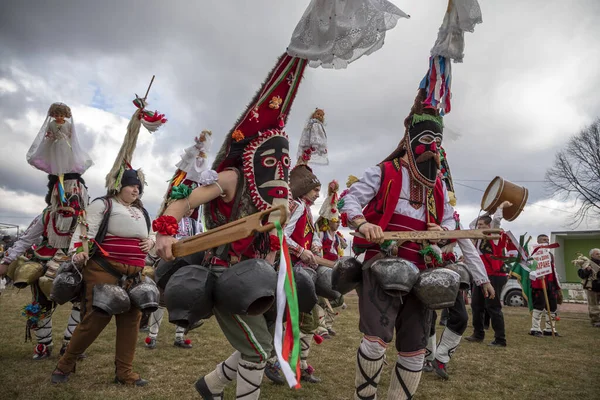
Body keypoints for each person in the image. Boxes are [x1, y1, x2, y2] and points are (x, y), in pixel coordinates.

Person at [156, 53, 307, 399]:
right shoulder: (230, 177)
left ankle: (210, 385)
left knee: (259, 345)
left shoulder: (277, 199)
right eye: (271, 160)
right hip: (227, 277)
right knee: (257, 351)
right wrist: (165, 228)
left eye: (283, 161)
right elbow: (186, 198)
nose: (279, 167)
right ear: (253, 154)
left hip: (260, 279)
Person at [52, 95, 165, 386]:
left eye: (138, 187)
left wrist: (150, 241)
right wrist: (79, 251)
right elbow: (84, 230)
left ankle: (124, 372)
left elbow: (149, 234)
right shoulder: (104, 204)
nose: (136, 191)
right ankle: (65, 366)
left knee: (130, 323)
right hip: (103, 269)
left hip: (134, 274)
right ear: (119, 186)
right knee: (93, 322)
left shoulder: (142, 211)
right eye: (131, 187)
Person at [285, 163, 323, 383]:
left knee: (305, 319)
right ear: (305, 188)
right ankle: (280, 362)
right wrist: (301, 251)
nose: (318, 193)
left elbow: (313, 236)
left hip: (302, 271)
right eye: (316, 189)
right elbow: (281, 234)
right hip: (291, 270)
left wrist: (315, 247)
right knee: (303, 319)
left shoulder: (307, 210)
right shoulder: (296, 206)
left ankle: (301, 363)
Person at [465, 201, 512, 347]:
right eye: (478, 226)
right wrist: (487, 212)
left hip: (494, 276)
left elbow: (497, 220)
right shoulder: (478, 238)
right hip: (480, 276)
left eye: (482, 226)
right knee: (476, 306)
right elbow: (471, 225)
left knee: (493, 307)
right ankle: (478, 334)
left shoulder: (494, 235)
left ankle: (500, 339)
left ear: (489, 227)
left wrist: (500, 207)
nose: (478, 228)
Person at [529, 234, 561, 337]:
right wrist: (537, 275)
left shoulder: (550, 255)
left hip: (550, 283)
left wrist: (557, 285)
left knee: (552, 307)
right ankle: (535, 328)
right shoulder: (534, 254)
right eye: (543, 240)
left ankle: (550, 329)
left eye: (547, 240)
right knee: (539, 306)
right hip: (539, 284)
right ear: (538, 242)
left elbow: (554, 269)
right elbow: (530, 269)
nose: (546, 241)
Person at [576, 248, 600, 327]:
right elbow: (581, 274)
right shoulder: (586, 263)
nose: (599, 255)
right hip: (592, 287)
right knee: (594, 305)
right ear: (592, 255)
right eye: (597, 254)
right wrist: (587, 270)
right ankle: (595, 321)